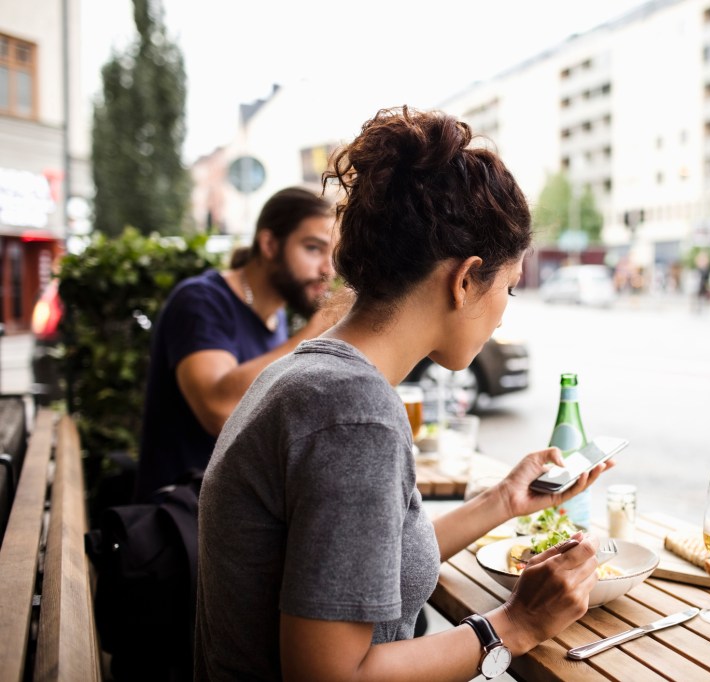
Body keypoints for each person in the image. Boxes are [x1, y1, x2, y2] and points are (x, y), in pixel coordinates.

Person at [195, 106, 612, 681]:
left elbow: (360, 561)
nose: (501, 317)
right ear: (465, 280)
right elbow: (331, 677)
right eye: (508, 289)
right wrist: (515, 625)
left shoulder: (309, 375)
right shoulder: (352, 413)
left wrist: (502, 502)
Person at [134, 187, 350, 503]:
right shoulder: (200, 301)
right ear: (269, 244)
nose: (327, 270)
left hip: (232, 511)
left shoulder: (274, 318)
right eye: (313, 248)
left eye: (331, 255)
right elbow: (218, 410)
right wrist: (315, 331)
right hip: (178, 521)